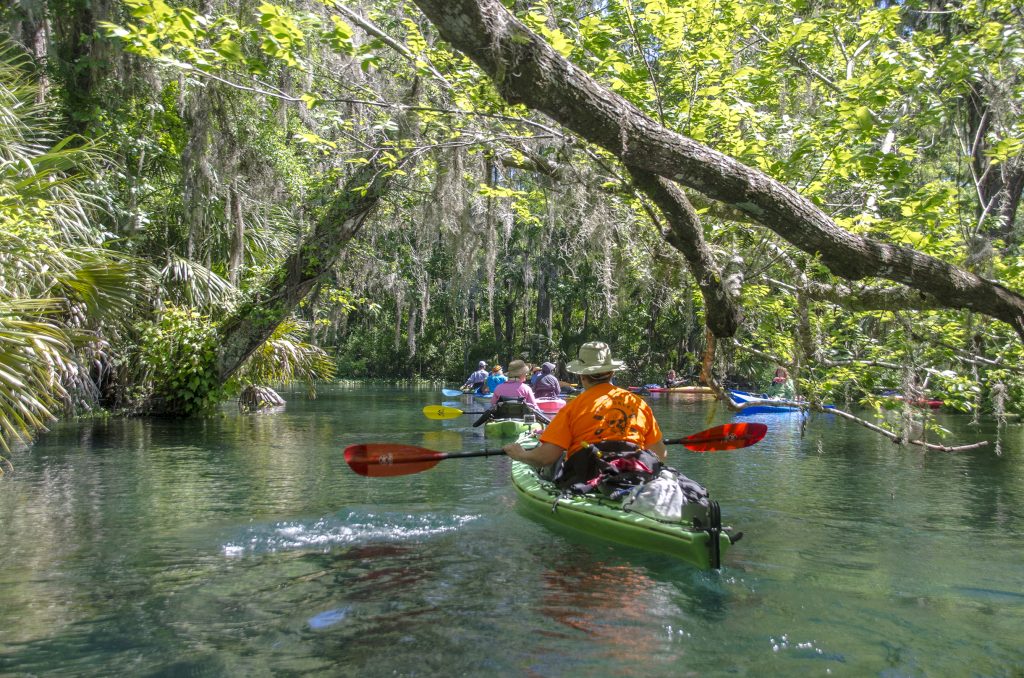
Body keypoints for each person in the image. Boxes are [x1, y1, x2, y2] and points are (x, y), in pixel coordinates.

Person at [503, 341, 666, 469]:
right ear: (612, 372)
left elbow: (545, 458)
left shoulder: (572, 409)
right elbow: (660, 455)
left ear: (582, 375)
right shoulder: (638, 404)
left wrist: (520, 455)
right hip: (636, 472)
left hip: (588, 477)